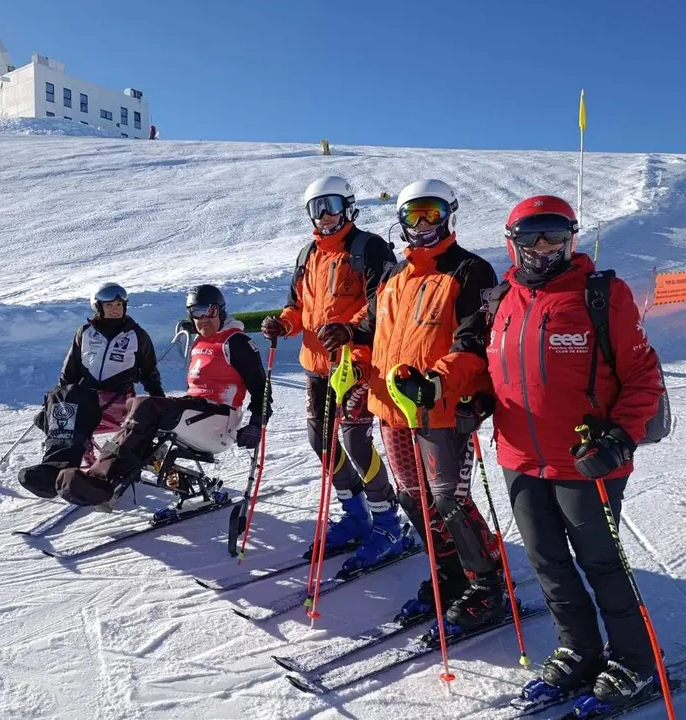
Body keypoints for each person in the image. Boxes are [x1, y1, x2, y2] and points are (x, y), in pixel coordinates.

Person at [486, 195, 665, 703]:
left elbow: (642, 376)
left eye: (554, 233)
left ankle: (634, 658)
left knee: (601, 563)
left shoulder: (601, 295)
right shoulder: (500, 301)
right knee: (547, 562)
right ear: (513, 241)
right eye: (531, 236)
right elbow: (491, 375)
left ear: (571, 237)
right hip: (519, 457)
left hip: (588, 461)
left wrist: (619, 437)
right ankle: (578, 648)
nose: (543, 246)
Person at [350, 178, 505, 630]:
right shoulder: (395, 276)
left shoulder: (469, 270)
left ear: (449, 215)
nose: (422, 224)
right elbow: (368, 327)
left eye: (431, 213)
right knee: (413, 499)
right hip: (392, 408)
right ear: (401, 222)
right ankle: (450, 576)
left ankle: (488, 587)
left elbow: (475, 342)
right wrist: (349, 347)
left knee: (449, 500)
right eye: (413, 215)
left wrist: (440, 384)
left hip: (441, 409)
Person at [261, 175, 407, 571]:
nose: (324, 216)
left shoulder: (369, 248)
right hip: (316, 366)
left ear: (348, 206)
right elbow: (298, 306)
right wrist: (284, 325)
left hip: (356, 363)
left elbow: (383, 305)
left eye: (331, 206)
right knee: (321, 442)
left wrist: (350, 330)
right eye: (316, 208)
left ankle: (390, 523)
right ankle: (356, 514)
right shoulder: (308, 253)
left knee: (355, 441)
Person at [57, 284, 271, 506]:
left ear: (221, 310)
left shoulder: (236, 342)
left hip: (219, 421)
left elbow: (261, 388)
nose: (203, 318)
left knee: (146, 407)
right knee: (134, 405)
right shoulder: (201, 341)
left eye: (210, 311)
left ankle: (101, 480)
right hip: (200, 411)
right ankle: (105, 476)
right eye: (196, 312)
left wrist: (256, 423)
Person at [17, 282, 164, 499]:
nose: (115, 308)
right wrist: (53, 407)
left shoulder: (136, 336)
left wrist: (160, 404)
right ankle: (53, 471)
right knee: (64, 400)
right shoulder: (85, 333)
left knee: (74, 411)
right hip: (88, 398)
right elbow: (69, 374)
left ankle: (89, 477)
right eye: (109, 304)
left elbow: (150, 373)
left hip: (119, 400)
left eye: (119, 304)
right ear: (98, 306)